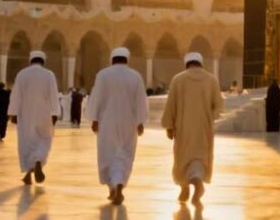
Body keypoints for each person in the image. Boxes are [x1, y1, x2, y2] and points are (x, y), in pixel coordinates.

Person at [87, 47, 149, 205]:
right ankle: (119, 183)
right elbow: (141, 101)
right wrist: (140, 122)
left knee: (108, 153)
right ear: (127, 60)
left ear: (112, 59)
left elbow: (96, 97)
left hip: (106, 121)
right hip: (128, 122)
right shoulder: (135, 76)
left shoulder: (103, 75)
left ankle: (112, 187)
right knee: (125, 153)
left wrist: (94, 119)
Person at [161, 52, 223, 204]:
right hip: (203, 128)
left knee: (183, 158)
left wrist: (169, 125)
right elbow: (219, 105)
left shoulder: (178, 79)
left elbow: (171, 105)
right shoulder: (211, 80)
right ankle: (197, 183)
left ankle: (185, 188)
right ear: (201, 63)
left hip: (183, 128)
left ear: (187, 64)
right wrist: (211, 117)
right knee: (199, 159)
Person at [8, 50, 60, 185]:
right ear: (43, 61)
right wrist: (55, 113)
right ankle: (37, 162)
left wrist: (13, 113)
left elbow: (16, 95)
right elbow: (54, 95)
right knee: (45, 139)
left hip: (25, 114)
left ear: (30, 60)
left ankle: (29, 171)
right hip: (44, 113)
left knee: (27, 142)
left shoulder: (22, 74)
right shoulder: (49, 75)